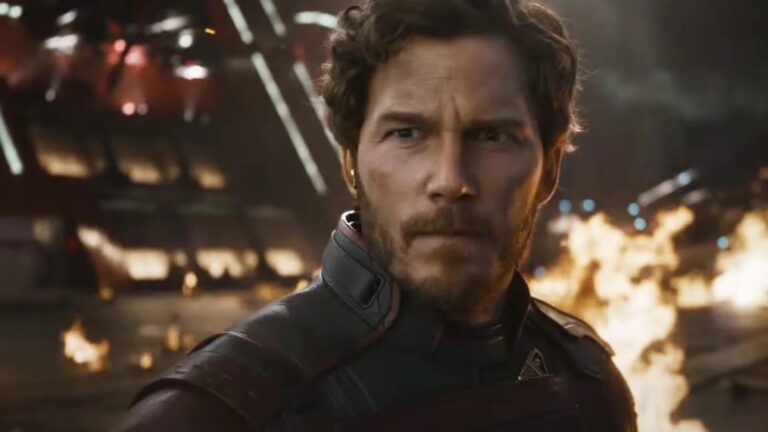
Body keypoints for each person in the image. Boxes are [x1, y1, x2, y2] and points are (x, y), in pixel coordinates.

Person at [115, 0, 637, 430]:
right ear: (350, 163)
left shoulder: (586, 381)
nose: (450, 179)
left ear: (549, 168)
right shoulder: (211, 415)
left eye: (492, 135)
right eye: (407, 133)